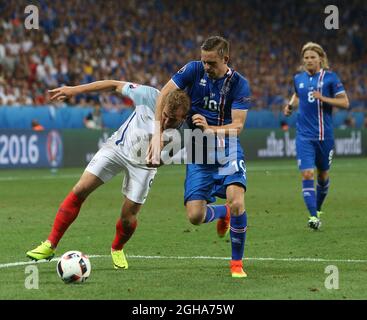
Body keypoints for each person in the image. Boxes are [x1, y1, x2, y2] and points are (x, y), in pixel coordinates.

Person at [26, 80, 190, 269]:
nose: (167, 121)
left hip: (143, 167)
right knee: (80, 189)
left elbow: (162, 160)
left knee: (128, 218)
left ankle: (117, 247)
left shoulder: (185, 133)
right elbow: (113, 85)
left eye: (173, 120)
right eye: (165, 115)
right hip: (117, 149)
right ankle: (50, 244)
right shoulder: (147, 95)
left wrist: (156, 160)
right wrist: (74, 90)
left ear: (184, 117)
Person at [148, 36, 251, 278]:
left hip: (227, 148)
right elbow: (164, 93)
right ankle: (223, 213)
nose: (206, 66)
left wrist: (209, 129)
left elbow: (238, 127)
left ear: (226, 59)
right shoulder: (193, 70)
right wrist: (156, 134)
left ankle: (236, 263)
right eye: (204, 61)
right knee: (196, 216)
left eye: (211, 62)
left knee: (237, 201)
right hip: (198, 150)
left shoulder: (239, 84)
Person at [283, 42, 349, 230]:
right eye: (306, 57)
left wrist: (324, 98)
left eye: (313, 57)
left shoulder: (330, 78)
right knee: (307, 173)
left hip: (324, 136)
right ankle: (313, 217)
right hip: (304, 136)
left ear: (320, 59)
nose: (309, 60)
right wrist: (289, 106)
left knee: (322, 175)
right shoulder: (298, 78)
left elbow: (345, 102)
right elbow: (297, 95)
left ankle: (317, 209)